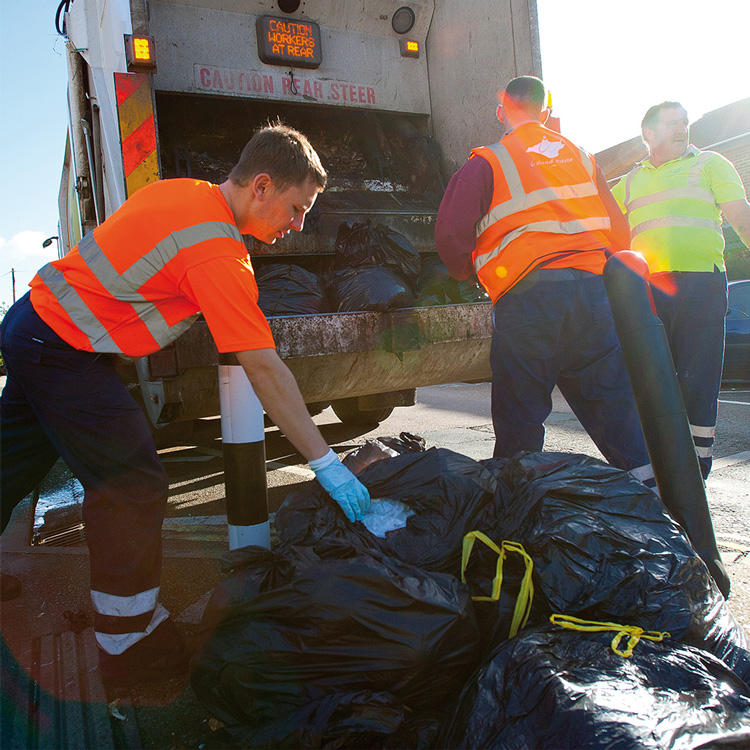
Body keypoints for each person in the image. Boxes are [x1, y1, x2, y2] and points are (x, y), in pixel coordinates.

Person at [0, 123, 370, 684]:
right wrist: (327, 464)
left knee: (12, 462)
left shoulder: (188, 195)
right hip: (62, 345)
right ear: (262, 186)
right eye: (296, 209)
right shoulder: (216, 249)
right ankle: (128, 646)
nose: (297, 226)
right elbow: (264, 368)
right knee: (132, 482)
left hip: (39, 326)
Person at [435, 75, 653, 483]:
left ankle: (516, 513)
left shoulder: (489, 161)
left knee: (521, 414)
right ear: (546, 112)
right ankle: (656, 511)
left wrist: (465, 273)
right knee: (614, 408)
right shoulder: (583, 158)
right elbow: (619, 234)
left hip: (529, 298)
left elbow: (450, 234)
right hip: (593, 295)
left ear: (502, 113)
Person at [612, 101, 750, 480]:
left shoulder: (710, 164)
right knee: (652, 381)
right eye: (673, 123)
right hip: (650, 290)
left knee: (698, 379)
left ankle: (695, 474)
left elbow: (741, 217)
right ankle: (655, 470)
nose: (683, 128)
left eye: (685, 122)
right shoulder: (630, 181)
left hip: (701, 285)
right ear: (649, 135)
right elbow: (604, 227)